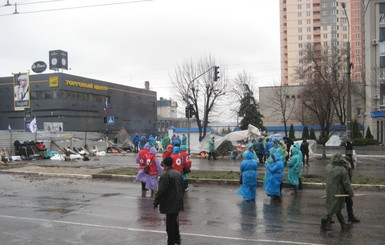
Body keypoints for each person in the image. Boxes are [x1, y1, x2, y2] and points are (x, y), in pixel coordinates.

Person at [153, 156, 184, 245]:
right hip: (178, 201)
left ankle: (170, 242)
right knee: (174, 221)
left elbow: (162, 191)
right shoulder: (178, 173)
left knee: (169, 225)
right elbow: (182, 187)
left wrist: (156, 202)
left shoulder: (165, 175)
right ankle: (177, 238)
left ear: (164, 164)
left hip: (170, 203)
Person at [320, 153, 354, 231]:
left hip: (329, 191)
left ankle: (343, 224)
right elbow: (346, 183)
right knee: (331, 209)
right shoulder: (342, 169)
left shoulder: (328, 167)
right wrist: (350, 192)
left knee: (337, 208)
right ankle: (323, 224)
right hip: (338, 191)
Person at [344, 155, 360, 223]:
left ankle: (351, 217)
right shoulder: (343, 169)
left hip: (347, 189)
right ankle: (328, 219)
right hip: (342, 189)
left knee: (349, 203)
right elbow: (345, 182)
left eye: (348, 161)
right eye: (346, 161)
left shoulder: (348, 168)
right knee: (337, 206)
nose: (348, 163)